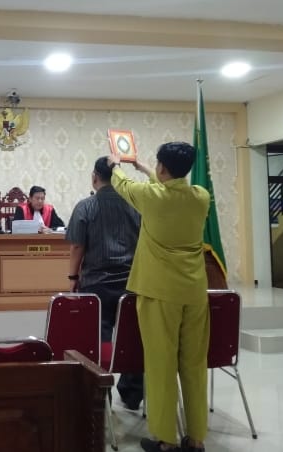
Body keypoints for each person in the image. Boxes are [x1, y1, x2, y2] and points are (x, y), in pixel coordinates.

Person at [108, 142, 210, 452]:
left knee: (161, 365)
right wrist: (144, 167)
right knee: (194, 365)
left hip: (159, 292)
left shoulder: (151, 198)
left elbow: (123, 185)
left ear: (162, 167)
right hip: (195, 292)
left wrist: (116, 164)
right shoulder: (201, 197)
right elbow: (171, 189)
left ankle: (166, 440)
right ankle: (196, 438)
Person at [65, 156, 143, 410]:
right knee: (132, 337)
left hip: (96, 283)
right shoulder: (136, 204)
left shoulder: (85, 206)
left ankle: (100, 394)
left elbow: (77, 246)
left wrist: (73, 278)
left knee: (99, 339)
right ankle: (133, 395)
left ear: (94, 177)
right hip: (132, 282)